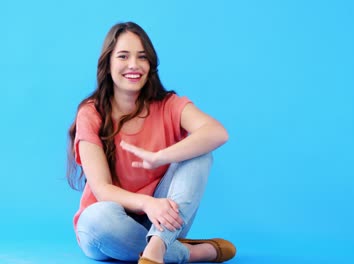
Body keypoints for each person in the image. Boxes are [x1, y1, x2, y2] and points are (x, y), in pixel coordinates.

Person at [66, 21, 236, 264]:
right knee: (96, 218)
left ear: (150, 64)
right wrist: (147, 203)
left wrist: (161, 157)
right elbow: (102, 190)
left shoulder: (168, 105)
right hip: (108, 226)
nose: (133, 65)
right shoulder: (91, 113)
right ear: (108, 63)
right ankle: (189, 253)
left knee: (201, 152)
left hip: (162, 221)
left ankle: (156, 247)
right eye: (123, 56)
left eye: (142, 57)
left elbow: (217, 133)